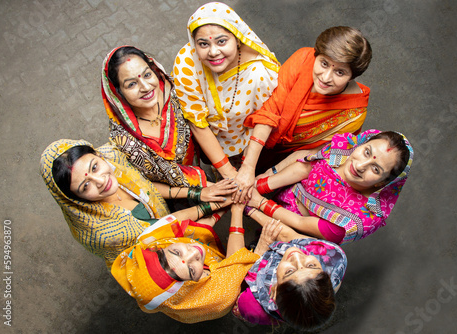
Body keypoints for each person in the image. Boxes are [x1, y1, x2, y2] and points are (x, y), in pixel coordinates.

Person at [40, 139, 236, 266]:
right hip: (161, 252)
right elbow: (163, 226)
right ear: (76, 199)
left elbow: (146, 186)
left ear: (98, 155)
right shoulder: (108, 233)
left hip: (164, 219)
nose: (101, 181)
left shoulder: (113, 156)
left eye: (95, 167)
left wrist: (198, 193)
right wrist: (214, 207)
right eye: (85, 186)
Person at [234, 26, 372, 202]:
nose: (326, 77)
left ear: (352, 77)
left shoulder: (353, 114)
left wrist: (269, 175)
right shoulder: (303, 58)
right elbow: (270, 110)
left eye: (340, 72)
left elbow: (311, 153)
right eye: (324, 63)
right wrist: (248, 166)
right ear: (316, 54)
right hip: (257, 132)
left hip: (290, 159)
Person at [110, 204, 284, 323]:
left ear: (160, 249)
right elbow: (236, 262)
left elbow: (180, 224)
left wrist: (220, 207)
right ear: (192, 285)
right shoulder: (220, 296)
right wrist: (261, 240)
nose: (195, 251)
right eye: (192, 270)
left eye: (176, 252)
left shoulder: (150, 242)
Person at [247, 130, 413, 244]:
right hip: (281, 197)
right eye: (366, 152)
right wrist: (258, 186)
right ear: (361, 144)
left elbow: (300, 222)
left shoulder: (354, 222)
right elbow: (305, 168)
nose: (361, 165)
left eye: (375, 169)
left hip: (292, 233)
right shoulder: (343, 150)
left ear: (382, 183)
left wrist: (257, 204)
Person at [173, 2, 279, 179]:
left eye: (222, 41)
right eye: (203, 44)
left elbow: (265, 115)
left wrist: (248, 165)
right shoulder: (187, 63)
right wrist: (229, 173)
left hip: (247, 136)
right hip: (203, 136)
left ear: (237, 38)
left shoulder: (259, 70)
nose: (213, 52)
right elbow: (197, 123)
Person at [102, 46, 205, 187]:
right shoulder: (123, 140)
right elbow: (143, 183)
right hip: (170, 194)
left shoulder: (176, 93)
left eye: (147, 75)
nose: (145, 87)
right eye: (132, 84)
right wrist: (200, 193)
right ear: (118, 93)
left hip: (199, 167)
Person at [233, 237, 347, 331]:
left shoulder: (250, 305)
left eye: (289, 272)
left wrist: (259, 250)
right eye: (311, 266)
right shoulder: (335, 266)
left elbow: (233, 270)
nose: (297, 256)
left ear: (274, 290)